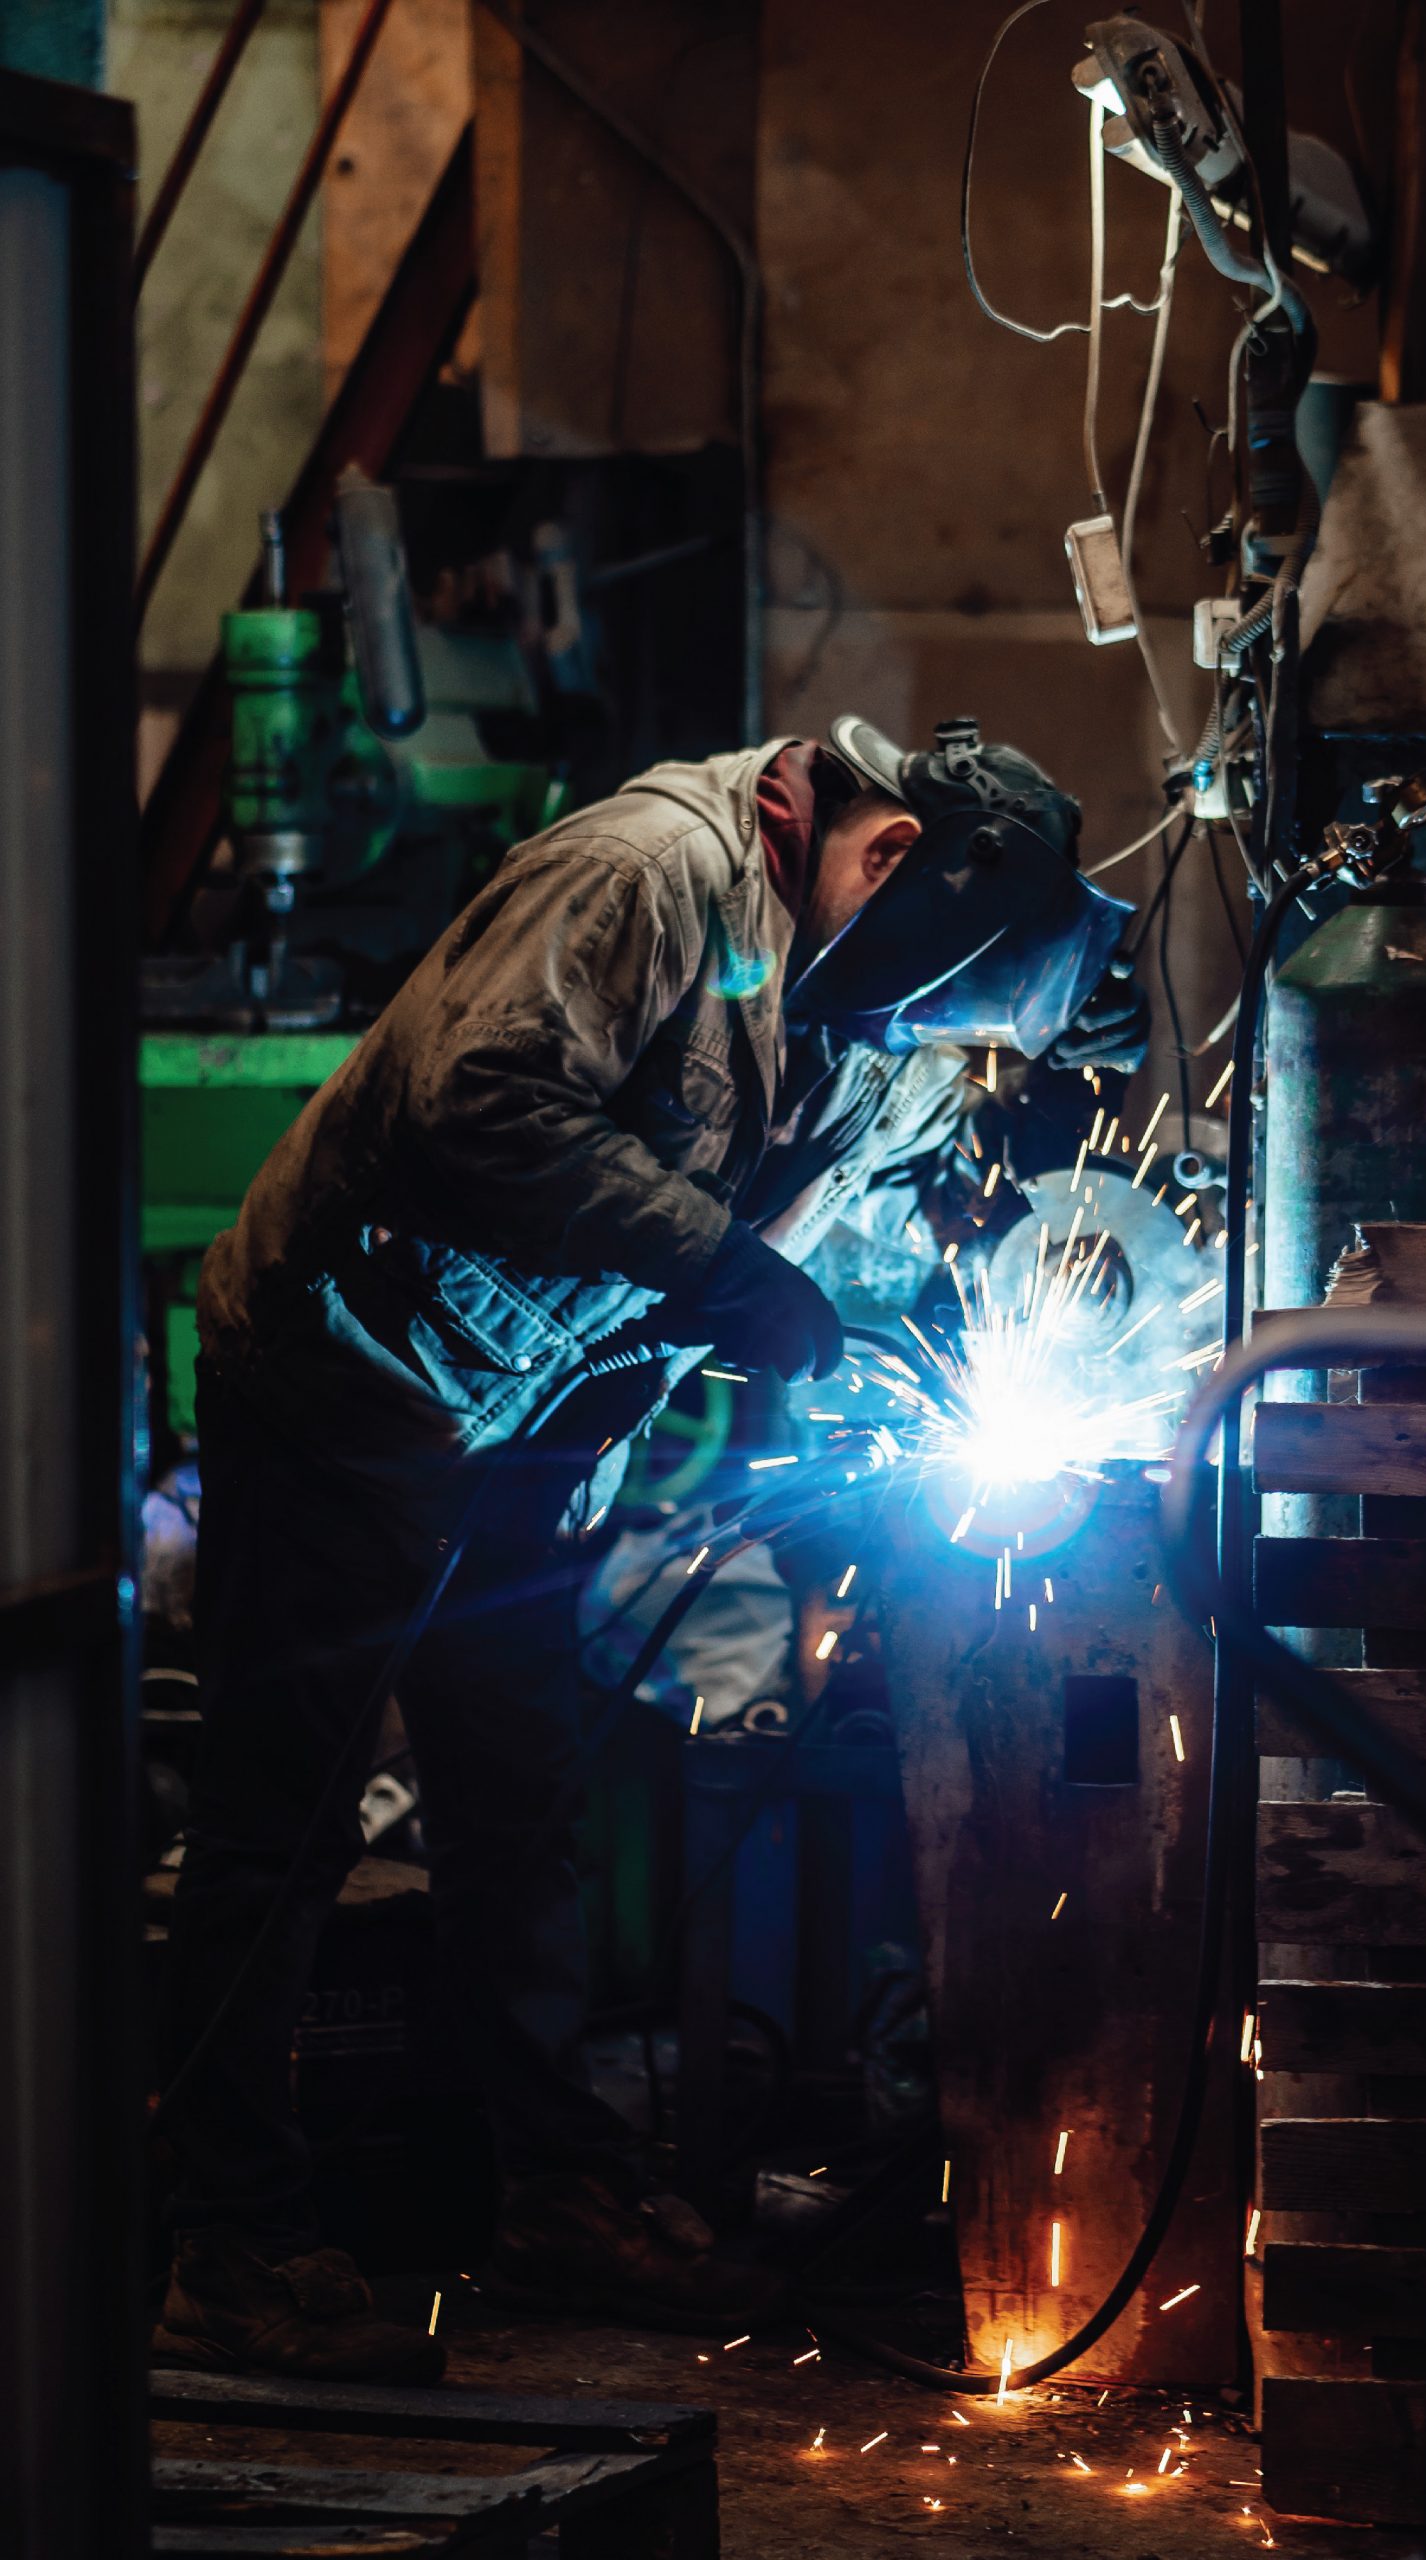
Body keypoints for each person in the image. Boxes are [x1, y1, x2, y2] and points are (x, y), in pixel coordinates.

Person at [153, 714, 1148, 2381]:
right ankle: (229, 2243)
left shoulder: (860, 967)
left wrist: (961, 1286)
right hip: (350, 1377)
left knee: (520, 1809)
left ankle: (554, 2194)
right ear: (891, 852)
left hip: (528, 1423)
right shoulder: (642, 877)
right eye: (916, 1009)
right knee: (283, 1826)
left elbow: (862, 1189)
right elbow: (479, 1107)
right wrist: (727, 1272)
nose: (901, 1036)